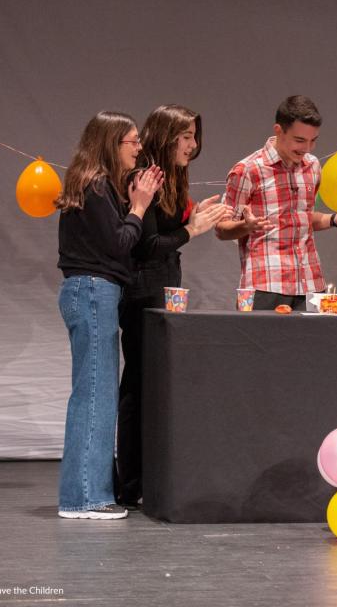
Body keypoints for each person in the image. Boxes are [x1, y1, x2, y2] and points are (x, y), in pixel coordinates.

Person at [115, 105, 232, 509]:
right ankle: (129, 484)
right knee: (137, 386)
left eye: (194, 136)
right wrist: (191, 229)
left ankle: (151, 478)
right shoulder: (143, 175)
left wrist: (194, 217)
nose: (193, 144)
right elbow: (145, 246)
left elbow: (168, 233)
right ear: (166, 136)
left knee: (156, 386)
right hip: (141, 293)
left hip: (165, 288)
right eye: (185, 136)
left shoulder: (172, 176)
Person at [55, 111, 164, 519]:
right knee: (96, 398)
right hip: (93, 291)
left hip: (91, 292)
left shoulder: (96, 185)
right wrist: (138, 207)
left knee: (93, 395)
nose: (138, 147)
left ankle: (85, 494)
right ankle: (85, 498)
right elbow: (120, 244)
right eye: (132, 141)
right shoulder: (96, 185)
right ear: (110, 143)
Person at [216, 95, 337, 310]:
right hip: (266, 285)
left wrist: (334, 219)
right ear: (279, 131)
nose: (307, 148)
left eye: (313, 140)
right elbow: (221, 229)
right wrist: (245, 226)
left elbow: (301, 218)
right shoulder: (248, 170)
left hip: (310, 283)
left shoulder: (312, 166)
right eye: (300, 140)